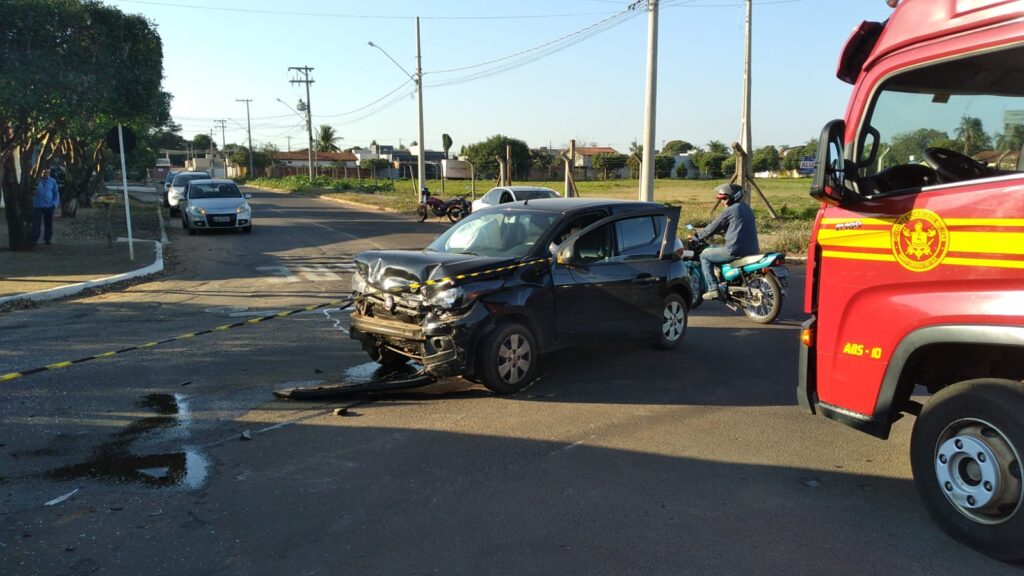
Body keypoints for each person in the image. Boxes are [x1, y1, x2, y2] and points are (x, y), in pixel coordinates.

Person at [690, 183, 759, 300]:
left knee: (705, 256)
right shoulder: (747, 208)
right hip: (753, 250)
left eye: (724, 199)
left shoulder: (729, 211)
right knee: (717, 249)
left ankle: (713, 289)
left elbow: (711, 228)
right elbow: (739, 226)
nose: (722, 202)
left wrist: (697, 237)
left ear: (733, 197)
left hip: (735, 250)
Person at [33, 167, 60, 245]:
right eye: (45, 172)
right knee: (36, 223)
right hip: (37, 205)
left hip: (49, 205)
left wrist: (55, 204)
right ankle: (35, 239)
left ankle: (48, 238)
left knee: (48, 223)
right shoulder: (36, 180)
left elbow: (56, 193)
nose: (46, 174)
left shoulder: (52, 181)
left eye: (48, 172)